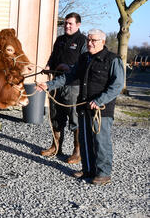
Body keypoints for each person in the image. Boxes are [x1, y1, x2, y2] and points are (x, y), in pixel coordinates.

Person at [37, 29, 124, 185]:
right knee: (85, 140)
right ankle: (88, 169)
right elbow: (69, 76)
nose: (89, 43)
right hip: (84, 107)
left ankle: (103, 174)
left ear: (102, 42)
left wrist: (100, 100)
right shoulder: (84, 58)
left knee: (100, 141)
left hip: (101, 111)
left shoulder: (112, 60)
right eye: (89, 40)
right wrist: (49, 85)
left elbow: (117, 85)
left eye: (93, 41)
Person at [41, 12, 87, 164]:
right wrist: (49, 65)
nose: (67, 26)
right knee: (55, 116)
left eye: (70, 24)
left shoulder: (83, 41)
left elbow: (84, 64)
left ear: (78, 25)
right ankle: (56, 147)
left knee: (74, 118)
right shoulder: (60, 40)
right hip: (56, 83)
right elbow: (53, 56)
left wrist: (69, 67)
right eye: (66, 23)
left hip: (73, 86)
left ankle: (77, 151)